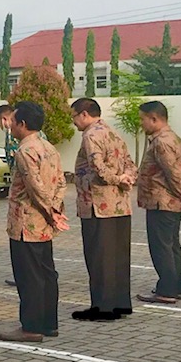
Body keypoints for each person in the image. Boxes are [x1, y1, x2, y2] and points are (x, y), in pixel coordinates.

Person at [0, 101, 68, 342]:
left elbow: (35, 187)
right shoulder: (49, 148)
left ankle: (31, 326)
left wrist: (50, 211)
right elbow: (61, 182)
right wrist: (55, 209)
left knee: (29, 277)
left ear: (23, 124)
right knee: (46, 272)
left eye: (13, 121)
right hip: (45, 223)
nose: (10, 125)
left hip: (27, 223)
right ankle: (49, 323)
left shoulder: (25, 151)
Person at [71, 98, 137, 321]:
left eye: (74, 116)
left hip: (98, 206)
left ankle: (103, 308)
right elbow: (131, 164)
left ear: (84, 114)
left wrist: (118, 179)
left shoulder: (91, 135)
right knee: (118, 258)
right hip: (120, 206)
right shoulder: (113, 133)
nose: (73, 122)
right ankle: (120, 304)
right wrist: (126, 179)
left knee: (99, 259)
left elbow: (97, 168)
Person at [136, 101, 181, 305]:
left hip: (162, 202)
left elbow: (174, 173)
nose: (141, 124)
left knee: (161, 247)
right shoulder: (175, 138)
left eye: (143, 119)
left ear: (154, 118)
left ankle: (167, 290)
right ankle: (177, 288)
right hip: (171, 201)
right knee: (172, 245)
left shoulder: (162, 142)